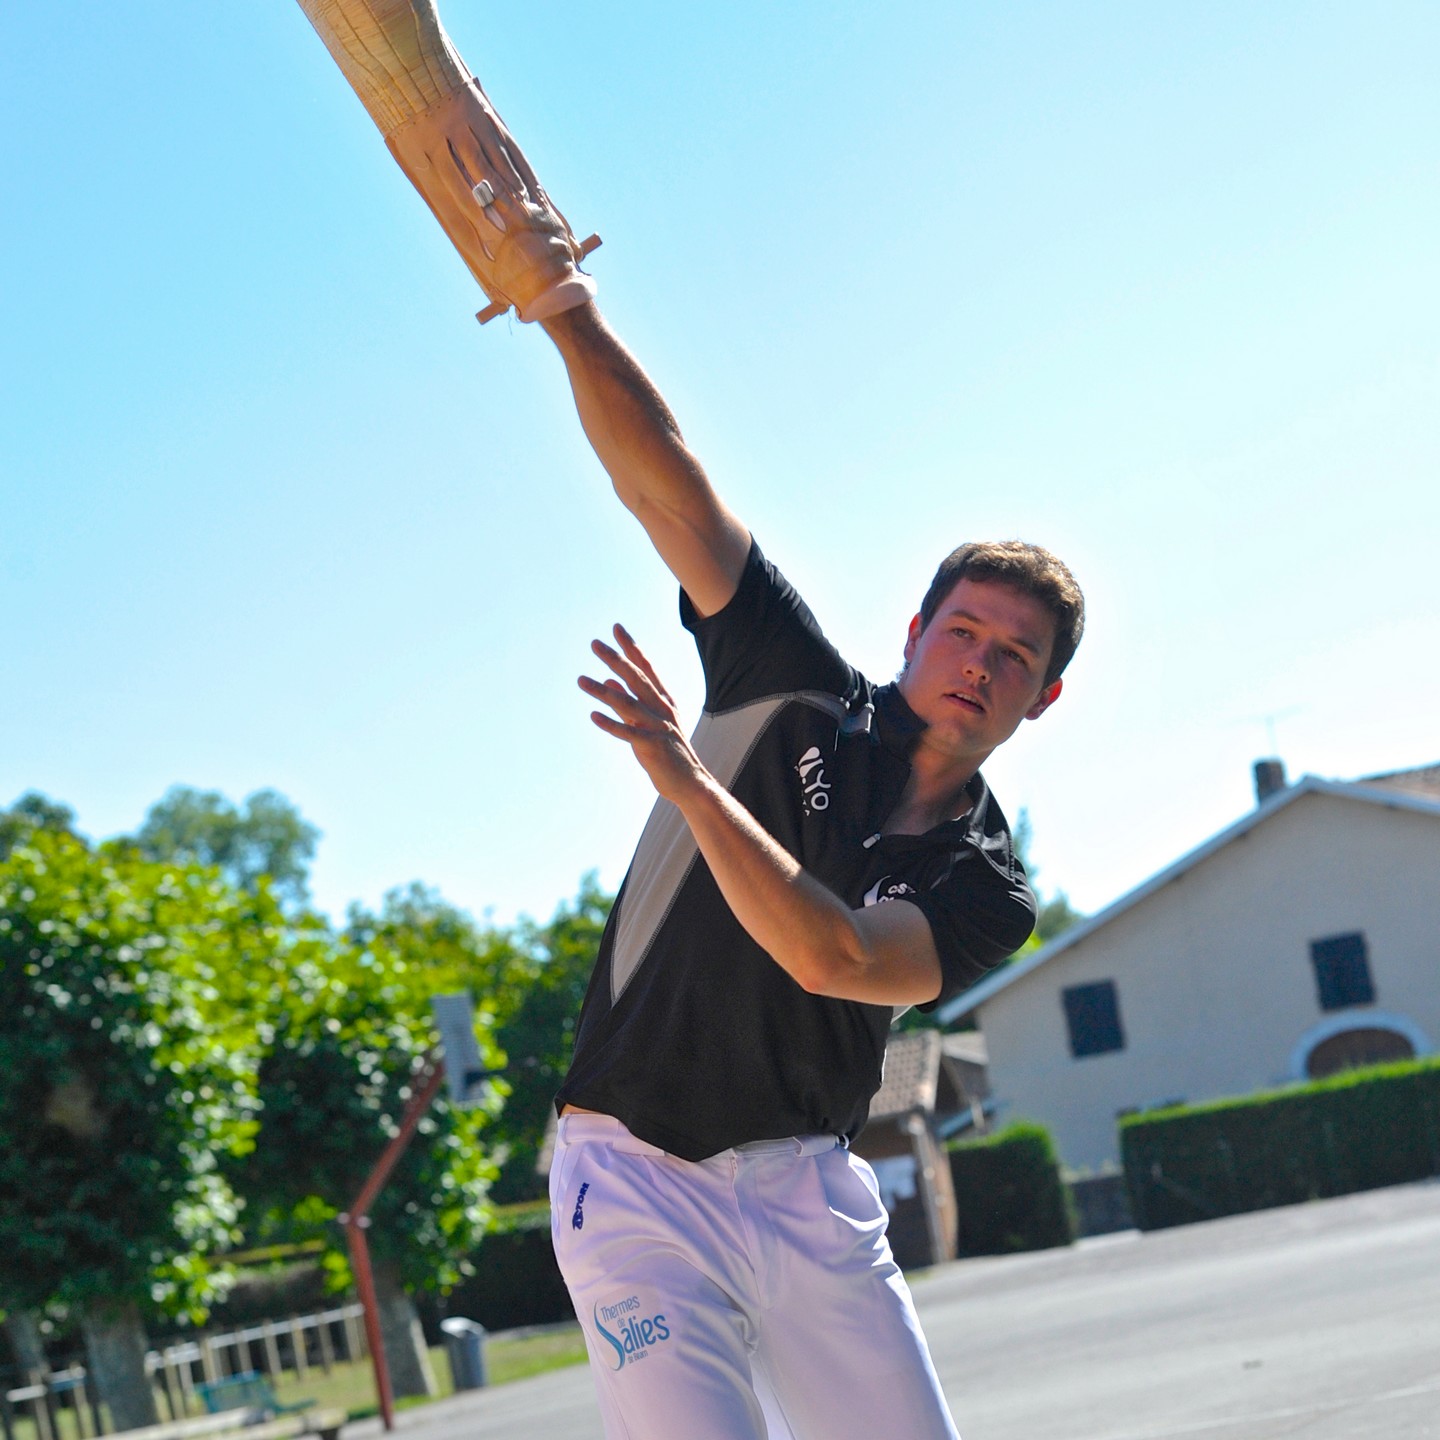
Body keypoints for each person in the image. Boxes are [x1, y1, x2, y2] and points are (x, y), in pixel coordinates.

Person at [537, 300, 1085, 1440]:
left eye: (1014, 655)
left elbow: (832, 956)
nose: (978, 664)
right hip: (632, 1177)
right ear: (915, 630)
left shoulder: (987, 888)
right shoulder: (791, 681)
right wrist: (560, 305)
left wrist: (691, 784)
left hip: (805, 1194)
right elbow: (665, 484)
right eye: (963, 631)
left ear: (1046, 696)